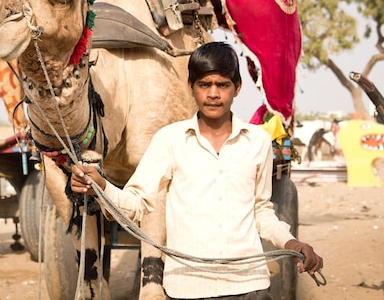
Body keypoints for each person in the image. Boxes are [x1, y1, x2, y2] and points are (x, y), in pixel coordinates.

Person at [71, 41, 323, 300]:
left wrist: (291, 243)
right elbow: (136, 205)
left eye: (222, 85)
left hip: (249, 286)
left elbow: (261, 210)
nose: (213, 93)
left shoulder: (257, 141)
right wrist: (102, 186)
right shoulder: (169, 140)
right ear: (191, 87)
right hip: (187, 288)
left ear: (237, 87)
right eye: (204, 85)